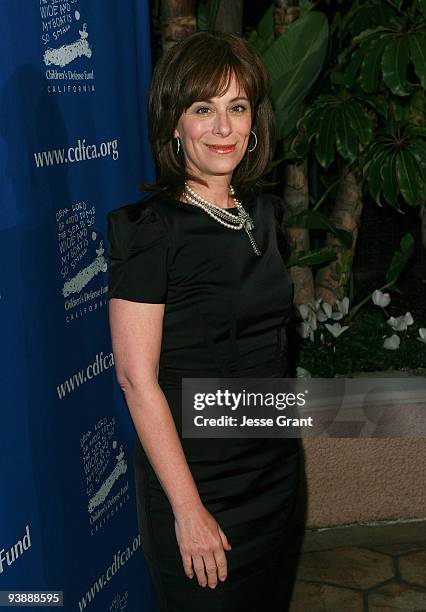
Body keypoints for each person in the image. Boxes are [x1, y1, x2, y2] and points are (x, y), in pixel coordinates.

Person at [107, 30, 300, 612]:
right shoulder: (150, 231)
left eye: (236, 107)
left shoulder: (263, 214)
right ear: (173, 123)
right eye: (203, 109)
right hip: (199, 486)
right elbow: (137, 381)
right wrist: (188, 511)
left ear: (255, 120)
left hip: (275, 475)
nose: (223, 127)